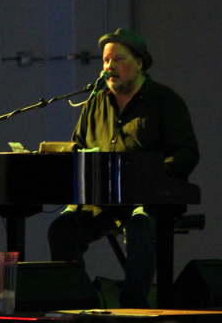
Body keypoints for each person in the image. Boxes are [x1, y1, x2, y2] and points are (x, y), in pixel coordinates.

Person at [47, 28, 199, 308]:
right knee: (62, 228)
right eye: (106, 61)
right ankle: (81, 301)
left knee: (141, 226)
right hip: (102, 200)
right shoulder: (95, 103)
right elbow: (77, 146)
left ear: (139, 62)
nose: (110, 67)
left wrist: (152, 175)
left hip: (149, 200)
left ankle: (133, 305)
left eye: (118, 59)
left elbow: (187, 153)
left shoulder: (164, 100)